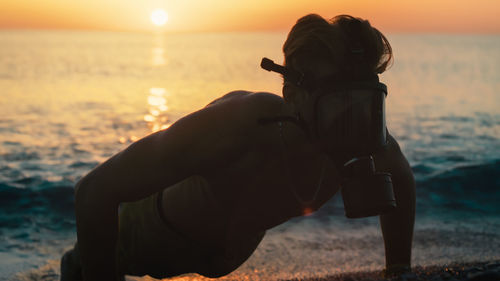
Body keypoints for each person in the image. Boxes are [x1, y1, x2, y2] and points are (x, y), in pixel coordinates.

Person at [62, 14, 415, 281]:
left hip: (214, 255)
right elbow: (93, 192)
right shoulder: (241, 125)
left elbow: (401, 178)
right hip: (145, 235)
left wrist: (398, 268)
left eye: (365, 103)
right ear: (292, 94)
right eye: (337, 103)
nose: (349, 119)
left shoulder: (362, 136)